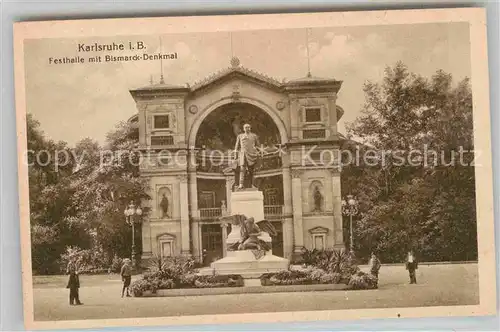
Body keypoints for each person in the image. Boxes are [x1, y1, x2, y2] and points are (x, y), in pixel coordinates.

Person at [233, 124, 261, 189]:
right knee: (242, 169)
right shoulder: (240, 136)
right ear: (243, 129)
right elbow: (236, 146)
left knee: (252, 170)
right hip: (243, 154)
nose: (247, 128)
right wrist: (235, 155)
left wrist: (258, 152)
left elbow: (258, 145)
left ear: (250, 128)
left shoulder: (254, 136)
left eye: (248, 127)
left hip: (252, 154)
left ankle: (252, 184)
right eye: (245, 127)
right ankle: (241, 184)